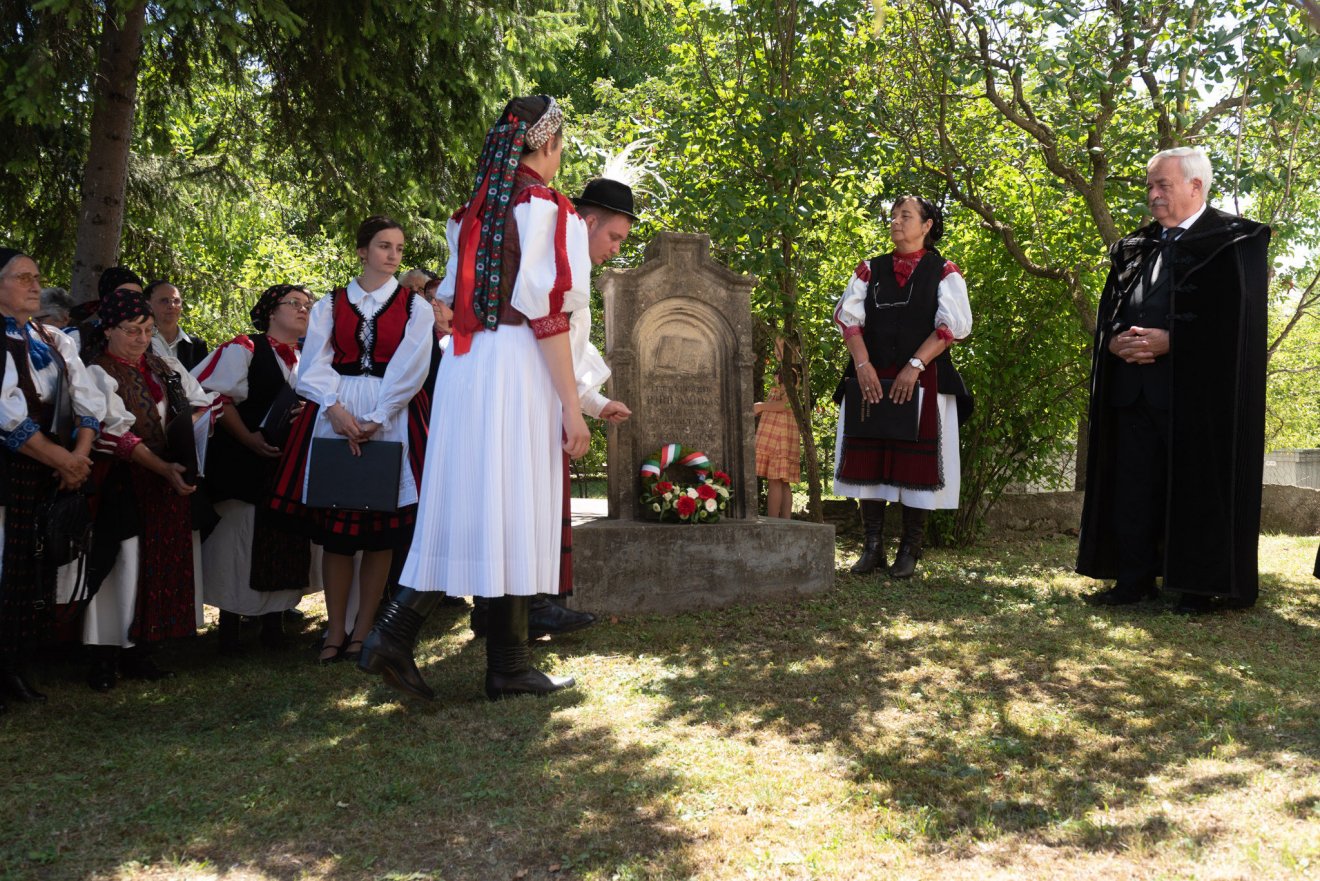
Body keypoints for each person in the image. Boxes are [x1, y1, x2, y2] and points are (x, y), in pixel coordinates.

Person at [359, 94, 603, 701]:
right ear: (548, 144)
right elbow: (548, 313)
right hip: (518, 365)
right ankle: (475, 654)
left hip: (469, 370)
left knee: (475, 502)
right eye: (562, 141)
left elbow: (451, 292)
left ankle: (493, 659)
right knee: (514, 504)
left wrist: (439, 296)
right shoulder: (546, 208)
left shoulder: (473, 213)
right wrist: (575, 407)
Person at [1077, 147, 1271, 614]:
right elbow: (1112, 312)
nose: (1153, 194)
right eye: (1150, 185)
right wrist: (1114, 341)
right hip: (1134, 389)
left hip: (1199, 396)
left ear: (1195, 186)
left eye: (1162, 185)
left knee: (1197, 486)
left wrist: (1174, 341)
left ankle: (1200, 586)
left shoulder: (1235, 241)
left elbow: (1238, 325)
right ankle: (1134, 580)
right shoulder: (1135, 247)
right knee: (1132, 485)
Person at [270, 216, 432, 664]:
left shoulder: (414, 306)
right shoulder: (330, 303)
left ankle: (364, 629)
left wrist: (378, 416)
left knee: (381, 533)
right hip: (333, 411)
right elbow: (313, 364)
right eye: (384, 246)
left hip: (393, 412)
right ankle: (334, 629)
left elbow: (412, 367)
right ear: (362, 250)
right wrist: (336, 409)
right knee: (336, 534)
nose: (393, 255)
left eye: (399, 248)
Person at [81, 287, 216, 690]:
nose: (140, 338)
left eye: (146, 329)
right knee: (120, 566)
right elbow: (114, 433)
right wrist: (162, 465)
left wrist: (178, 438)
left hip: (166, 479)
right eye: (131, 330)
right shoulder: (97, 372)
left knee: (152, 564)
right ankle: (103, 656)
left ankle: (140, 650)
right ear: (108, 330)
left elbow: (200, 401)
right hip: (122, 484)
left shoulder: (164, 365)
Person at [832, 196, 973, 578]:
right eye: (893, 215)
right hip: (872, 376)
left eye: (905, 216)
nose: (896, 221)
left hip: (924, 377)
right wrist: (862, 366)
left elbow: (951, 328)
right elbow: (849, 320)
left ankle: (910, 550)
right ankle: (872, 548)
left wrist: (915, 365)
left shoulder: (944, 271)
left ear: (927, 225)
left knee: (917, 461)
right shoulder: (869, 269)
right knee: (872, 456)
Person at [0, 248, 105, 708]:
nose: (34, 284)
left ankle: (15, 667)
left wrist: (78, 458)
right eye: (22, 277)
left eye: (37, 276)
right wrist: (64, 462)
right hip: (8, 468)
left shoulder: (54, 339)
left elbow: (88, 402)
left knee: (28, 568)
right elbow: (5, 416)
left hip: (50, 468)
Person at [193, 285, 313, 653]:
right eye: (294, 303)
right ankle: (229, 626)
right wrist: (248, 438)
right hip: (242, 467)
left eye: (307, 304)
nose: (303, 309)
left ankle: (273, 623)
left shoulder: (308, 357)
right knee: (238, 541)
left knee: (281, 537)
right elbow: (211, 394)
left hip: (285, 469)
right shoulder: (244, 347)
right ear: (270, 312)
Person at [754, 340, 801, 519]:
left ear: (795, 349)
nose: (776, 350)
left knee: (775, 479)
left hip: (780, 432)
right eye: (775, 345)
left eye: (782, 346)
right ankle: (785, 522)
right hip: (781, 429)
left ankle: (773, 522)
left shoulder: (790, 372)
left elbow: (784, 404)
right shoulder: (785, 371)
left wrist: (760, 406)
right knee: (782, 481)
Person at [147, 280, 210, 370]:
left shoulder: (198, 347)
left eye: (176, 301)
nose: (171, 305)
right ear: (148, 305)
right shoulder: (140, 343)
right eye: (164, 301)